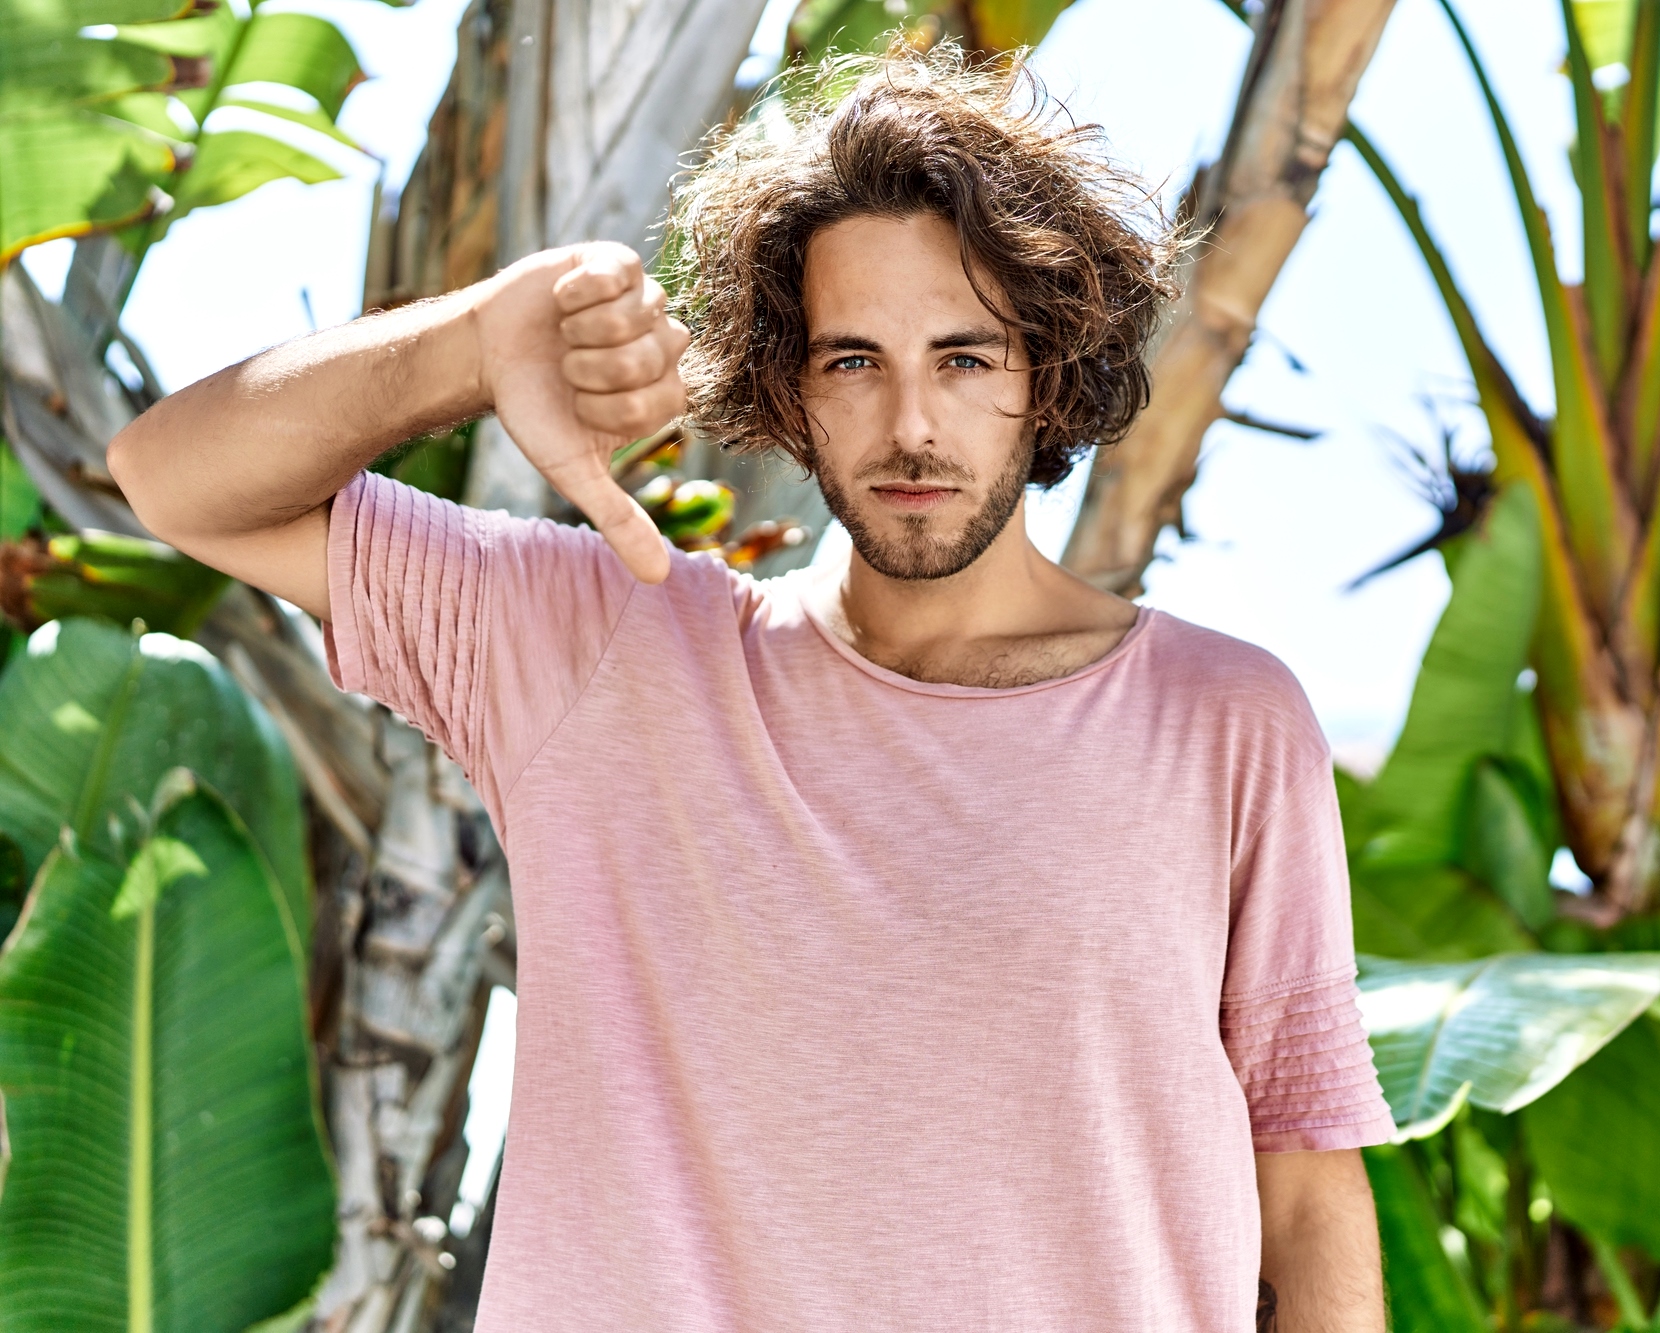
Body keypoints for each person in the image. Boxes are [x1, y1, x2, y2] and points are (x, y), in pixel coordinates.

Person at [109, 49, 1394, 1333]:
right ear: (786, 379)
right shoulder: (602, 649)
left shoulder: (1221, 721)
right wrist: (468, 342)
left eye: (963, 359)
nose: (910, 426)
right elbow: (171, 480)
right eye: (851, 361)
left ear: (1045, 369)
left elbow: (1302, 1194)